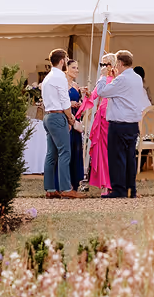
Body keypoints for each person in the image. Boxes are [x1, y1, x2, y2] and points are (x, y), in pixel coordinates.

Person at [96, 48, 151, 198]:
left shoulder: (121, 79)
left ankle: (119, 189)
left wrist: (103, 76)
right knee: (129, 158)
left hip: (119, 123)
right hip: (133, 123)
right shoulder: (136, 78)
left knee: (117, 157)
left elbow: (102, 92)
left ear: (119, 63)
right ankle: (130, 189)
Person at [41, 49, 85, 199]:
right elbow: (64, 101)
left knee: (51, 154)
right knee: (65, 152)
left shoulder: (47, 77)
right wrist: (71, 118)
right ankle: (66, 188)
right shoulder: (59, 77)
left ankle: (50, 188)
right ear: (62, 61)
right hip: (58, 116)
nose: (67, 62)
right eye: (66, 60)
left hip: (48, 116)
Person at [77, 53, 114, 191]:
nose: (103, 67)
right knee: (102, 150)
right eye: (101, 64)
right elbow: (95, 96)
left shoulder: (113, 79)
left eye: (106, 64)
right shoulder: (103, 79)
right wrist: (88, 94)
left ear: (112, 65)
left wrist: (103, 77)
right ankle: (105, 184)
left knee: (108, 150)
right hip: (102, 115)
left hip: (109, 115)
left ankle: (110, 183)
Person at [66, 59, 85, 191]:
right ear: (66, 68)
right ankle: (66, 182)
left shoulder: (76, 86)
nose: (76, 70)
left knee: (76, 149)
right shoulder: (62, 85)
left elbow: (82, 103)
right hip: (66, 119)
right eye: (73, 67)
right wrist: (69, 104)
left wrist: (81, 102)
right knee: (67, 150)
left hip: (76, 119)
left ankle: (75, 182)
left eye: (77, 68)